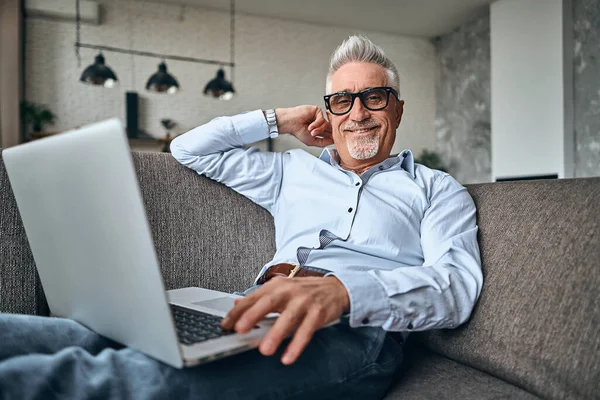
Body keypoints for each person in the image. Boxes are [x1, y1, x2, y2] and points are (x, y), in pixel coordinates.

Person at [0, 35, 482, 399]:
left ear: (396, 108)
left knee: (129, 380)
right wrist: (279, 120)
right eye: (342, 100)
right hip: (246, 305)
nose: (357, 113)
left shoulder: (436, 189)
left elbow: (456, 285)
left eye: (374, 97)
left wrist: (345, 292)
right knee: (66, 335)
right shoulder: (290, 172)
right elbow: (189, 149)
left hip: (352, 333)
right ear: (329, 113)